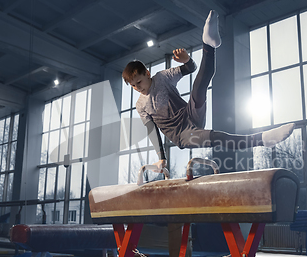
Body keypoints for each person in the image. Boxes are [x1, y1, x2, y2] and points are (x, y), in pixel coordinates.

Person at [122, 10, 295, 171]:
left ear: (147, 73)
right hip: (182, 135)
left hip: (189, 114)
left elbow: (190, 68)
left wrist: (187, 60)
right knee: (219, 137)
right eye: (134, 86)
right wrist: (162, 158)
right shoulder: (140, 106)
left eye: (139, 82)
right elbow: (152, 131)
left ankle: (208, 44)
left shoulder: (162, 77)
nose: (138, 88)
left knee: (199, 87)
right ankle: (263, 139)